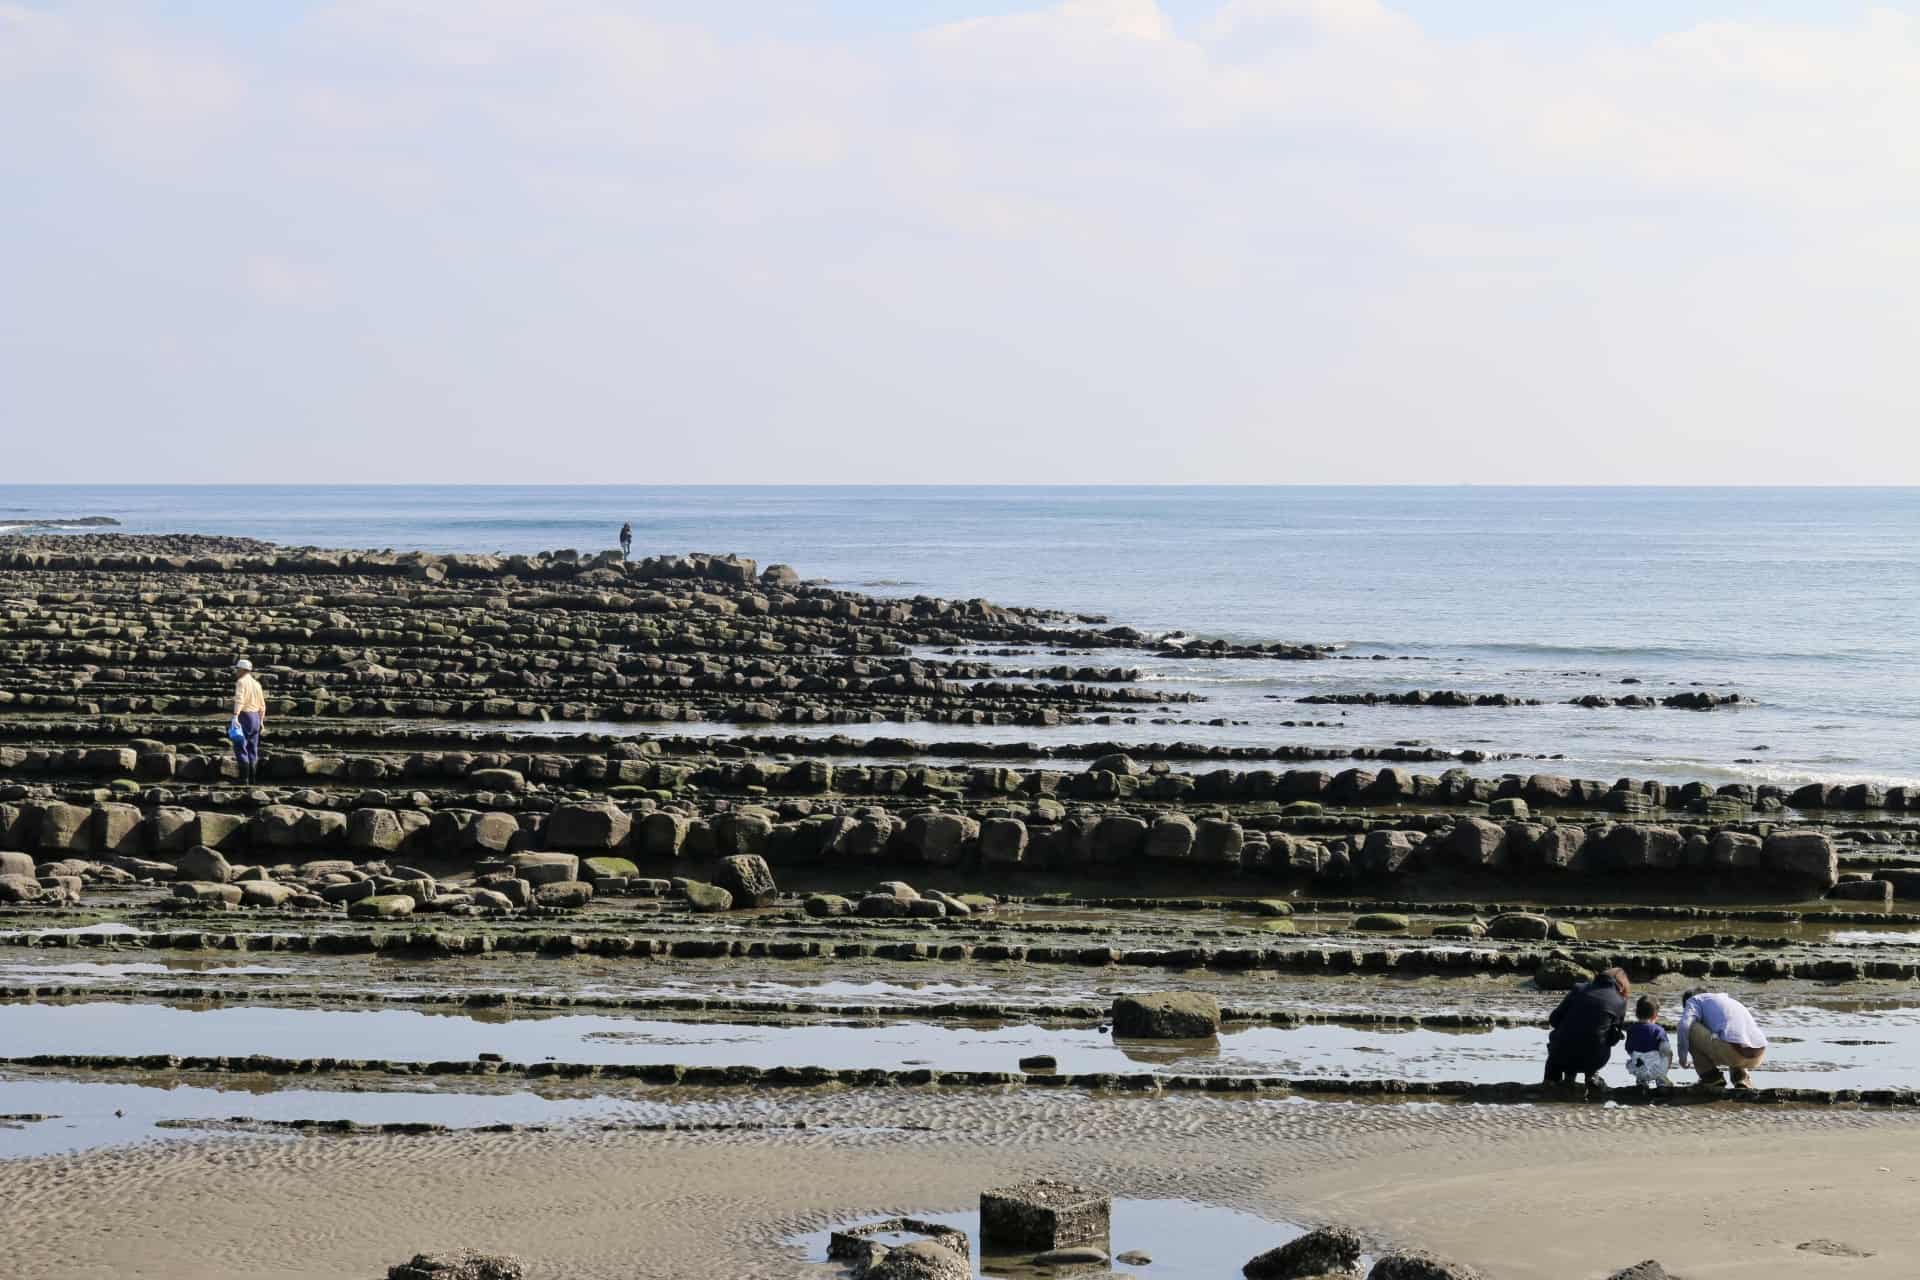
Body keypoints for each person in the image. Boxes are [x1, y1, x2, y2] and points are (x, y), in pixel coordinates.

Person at [1544, 966, 1630, 1086]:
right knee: (1596, 1039)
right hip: (1595, 1059)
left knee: (1557, 1041)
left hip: (1561, 1055)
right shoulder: (1620, 1001)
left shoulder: (1579, 988)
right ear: (1622, 984)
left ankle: (1551, 1082)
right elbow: (1613, 1039)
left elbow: (1554, 1019)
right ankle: (1591, 1076)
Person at [1676, 989, 1768, 1089]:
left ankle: (1711, 1078)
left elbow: (1684, 1026)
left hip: (1732, 1053)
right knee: (1732, 1035)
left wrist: (1682, 1058)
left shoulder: (1694, 1000)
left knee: (1690, 1028)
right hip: (1758, 1055)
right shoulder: (1728, 1001)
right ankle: (1741, 1078)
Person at [1624, 994, 1675, 1089]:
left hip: (1638, 1069)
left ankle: (1641, 1081)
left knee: (1635, 1057)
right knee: (1667, 1053)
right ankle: (1661, 1080)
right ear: (1655, 1015)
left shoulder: (1631, 1029)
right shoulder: (1658, 1030)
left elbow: (1628, 1049)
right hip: (1656, 1070)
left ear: (1636, 1013)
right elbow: (1666, 1050)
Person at [230, 658, 266, 784]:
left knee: (240, 747)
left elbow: (239, 699)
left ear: (242, 670)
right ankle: (253, 779)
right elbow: (262, 705)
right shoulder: (257, 684)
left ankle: (243, 779)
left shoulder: (241, 682)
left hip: (245, 716)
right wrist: (261, 720)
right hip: (256, 717)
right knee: (252, 748)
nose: (236, 672)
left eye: (237, 669)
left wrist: (235, 716)